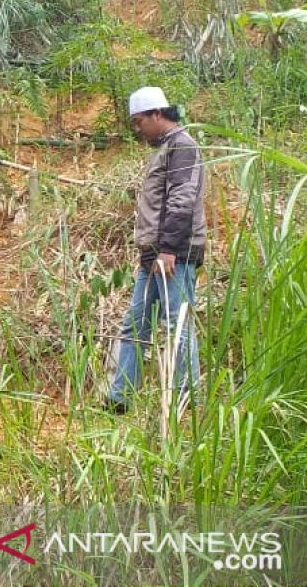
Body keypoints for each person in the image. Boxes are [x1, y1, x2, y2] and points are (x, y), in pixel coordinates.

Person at [107, 86, 205, 414]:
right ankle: (119, 398)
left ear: (157, 114)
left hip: (173, 255)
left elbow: (182, 200)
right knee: (135, 322)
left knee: (177, 326)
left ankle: (185, 402)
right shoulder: (165, 148)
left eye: (139, 122)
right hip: (155, 255)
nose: (137, 130)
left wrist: (168, 250)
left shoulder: (182, 146)